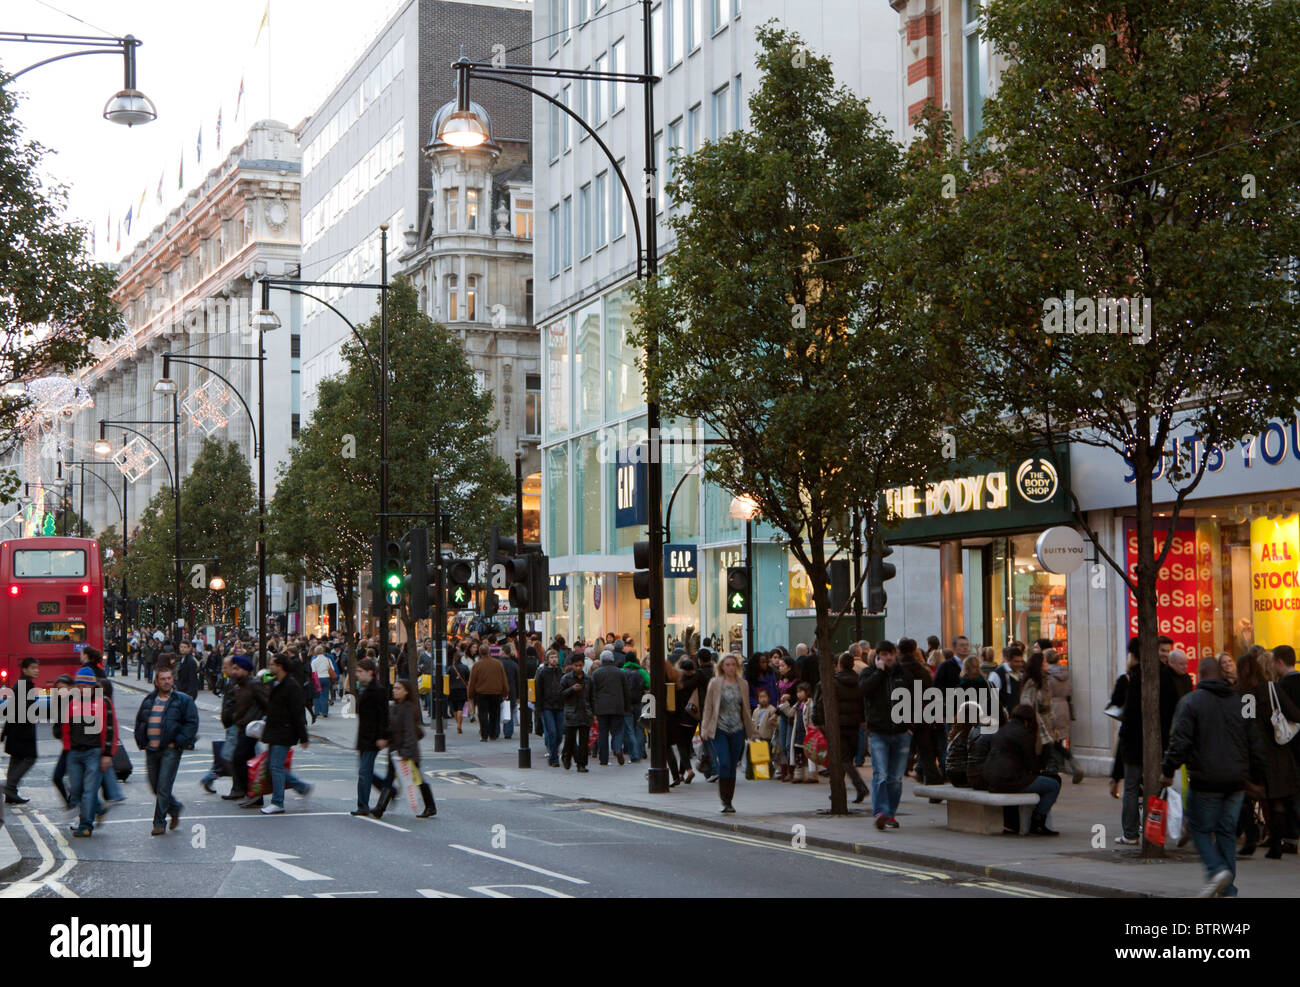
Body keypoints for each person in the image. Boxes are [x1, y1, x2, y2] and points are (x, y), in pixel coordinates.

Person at [1162, 655, 1266, 897]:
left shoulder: (1191, 702)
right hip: (1236, 781)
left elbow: (1179, 742)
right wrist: (1258, 778)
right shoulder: (1240, 702)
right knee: (1226, 831)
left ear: (1199, 674)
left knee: (1198, 828)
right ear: (1220, 674)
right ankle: (1227, 889)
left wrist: (1168, 770)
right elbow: (1255, 742)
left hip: (1206, 779)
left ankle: (1217, 870)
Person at [1234, 647, 1300, 859]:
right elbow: (1295, 714)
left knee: (1244, 795)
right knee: (1276, 800)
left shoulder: (1243, 693)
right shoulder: (1272, 689)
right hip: (1277, 753)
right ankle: (1276, 847)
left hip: (1251, 752)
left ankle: (1251, 836)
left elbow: (1244, 724)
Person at [1117, 637, 1179, 845]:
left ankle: (1130, 833)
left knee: (1132, 787)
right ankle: (1154, 832)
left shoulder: (1137, 677)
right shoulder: (1166, 675)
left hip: (1135, 741)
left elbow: (1130, 713)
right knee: (1154, 787)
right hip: (1158, 741)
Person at [132, 666, 199, 836]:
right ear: (156, 681)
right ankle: (174, 808)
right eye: (163, 678)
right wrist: (142, 741)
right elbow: (141, 721)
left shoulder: (182, 700)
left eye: (169, 678)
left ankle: (159, 823)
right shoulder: (149, 699)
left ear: (173, 680)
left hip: (170, 750)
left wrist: (178, 742)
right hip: (151, 749)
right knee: (155, 787)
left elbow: (191, 723)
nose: (166, 681)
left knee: (163, 787)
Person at [861, 640, 914, 828]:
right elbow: (865, 691)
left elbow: (914, 699)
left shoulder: (903, 674)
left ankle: (890, 814)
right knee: (881, 774)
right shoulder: (869, 673)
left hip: (901, 733)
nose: (888, 657)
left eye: (891, 653)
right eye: (884, 654)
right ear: (878, 656)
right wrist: (879, 672)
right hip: (878, 732)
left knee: (896, 778)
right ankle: (881, 812)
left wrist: (910, 727)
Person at [984, 703, 1060, 835]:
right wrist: (1045, 748)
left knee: (1020, 781)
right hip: (1010, 780)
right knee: (1053, 784)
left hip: (992, 779)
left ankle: (1011, 825)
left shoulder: (1001, 730)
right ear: (1028, 720)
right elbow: (1034, 766)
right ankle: (1037, 822)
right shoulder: (1025, 734)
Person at [63, 666, 118, 838]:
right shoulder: (72, 702)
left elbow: (111, 729)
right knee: (77, 789)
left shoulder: (103, 702)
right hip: (74, 753)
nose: (81, 689)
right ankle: (98, 809)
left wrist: (107, 754)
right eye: (78, 686)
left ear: (93, 686)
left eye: (85, 686)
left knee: (89, 791)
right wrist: (67, 748)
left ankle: (86, 825)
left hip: (94, 752)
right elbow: (66, 727)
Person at [701, 653, 757, 812]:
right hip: (720, 728)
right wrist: (704, 728)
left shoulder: (743, 684)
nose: (730, 667)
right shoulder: (715, 683)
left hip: (738, 729)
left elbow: (746, 709)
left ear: (737, 666)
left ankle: (729, 801)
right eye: (727, 665)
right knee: (724, 762)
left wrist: (752, 730)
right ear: (721, 667)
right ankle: (724, 800)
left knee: (732, 765)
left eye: (733, 664)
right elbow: (708, 707)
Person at [373, 680, 436, 819]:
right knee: (389, 779)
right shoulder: (396, 706)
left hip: (406, 753)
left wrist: (405, 753)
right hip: (395, 752)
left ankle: (430, 806)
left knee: (418, 780)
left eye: (398, 688)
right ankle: (379, 808)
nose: (395, 690)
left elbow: (410, 733)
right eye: (394, 688)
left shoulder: (408, 708)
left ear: (406, 691)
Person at [260, 653, 312, 814]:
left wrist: (303, 737)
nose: (270, 667)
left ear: (280, 666)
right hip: (275, 730)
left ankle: (278, 802)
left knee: (275, 766)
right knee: (272, 766)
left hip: (285, 731)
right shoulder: (277, 683)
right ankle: (301, 787)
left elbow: (297, 713)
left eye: (272, 664)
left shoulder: (291, 686)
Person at [814, 652, 869, 803]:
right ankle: (839, 789)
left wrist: (818, 721)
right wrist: (863, 719)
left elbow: (820, 704)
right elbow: (863, 703)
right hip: (854, 724)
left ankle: (858, 787)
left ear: (839, 664)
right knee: (846, 758)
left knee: (841, 759)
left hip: (837, 725)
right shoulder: (859, 682)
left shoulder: (833, 682)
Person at [351, 658, 389, 816]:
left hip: (373, 737)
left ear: (370, 673)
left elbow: (384, 716)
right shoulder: (363, 689)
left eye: (360, 672)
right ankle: (388, 789)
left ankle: (362, 805)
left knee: (364, 772)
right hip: (364, 736)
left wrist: (382, 737)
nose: (357, 675)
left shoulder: (378, 690)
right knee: (365, 771)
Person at [228, 656, 268, 805]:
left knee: (239, 759)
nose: (234, 671)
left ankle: (252, 792)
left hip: (250, 728)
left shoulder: (253, 685)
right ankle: (253, 794)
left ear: (245, 670)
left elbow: (265, 703)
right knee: (248, 761)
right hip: (242, 727)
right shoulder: (240, 685)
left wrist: (257, 719)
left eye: (237, 669)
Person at [2, 657, 39, 804]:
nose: (36, 670)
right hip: (22, 730)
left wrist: (6, 731)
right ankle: (10, 787)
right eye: (32, 668)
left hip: (15, 729)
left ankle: (10, 794)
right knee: (30, 758)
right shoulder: (25, 685)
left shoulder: (22, 683)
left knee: (16, 759)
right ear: (24, 669)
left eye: (36, 667)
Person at [200, 657, 238, 794]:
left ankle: (237, 786)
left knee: (234, 756)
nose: (222, 670)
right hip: (234, 725)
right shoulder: (232, 682)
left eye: (225, 667)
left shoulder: (236, 682)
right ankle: (212, 776)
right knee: (230, 756)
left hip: (236, 725)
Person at [1044, 649, 1083, 783]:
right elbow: (1070, 691)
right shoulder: (1065, 673)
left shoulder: (1048, 675)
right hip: (1064, 707)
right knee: (1058, 740)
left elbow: (1045, 693)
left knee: (1050, 740)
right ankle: (1066, 764)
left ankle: (1068, 764)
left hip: (1052, 707)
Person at [592, 649, 630, 766]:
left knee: (603, 732)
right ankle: (617, 748)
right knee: (617, 731)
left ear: (602, 660)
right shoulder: (620, 673)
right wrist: (626, 707)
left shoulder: (596, 673)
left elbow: (593, 692)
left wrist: (593, 709)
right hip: (617, 706)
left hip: (601, 707)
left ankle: (603, 758)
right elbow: (625, 691)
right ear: (612, 659)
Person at [466, 645, 509, 742]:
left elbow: (472, 681)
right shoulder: (498, 664)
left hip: (481, 693)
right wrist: (505, 692)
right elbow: (504, 679)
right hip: (496, 692)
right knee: (494, 714)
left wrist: (470, 695)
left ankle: (484, 735)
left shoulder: (477, 665)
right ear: (489, 652)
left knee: (483, 714)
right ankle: (493, 734)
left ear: (480, 653)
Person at [559, 656, 594, 772]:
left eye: (580, 665)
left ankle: (582, 764)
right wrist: (571, 689)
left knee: (584, 741)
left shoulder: (588, 679)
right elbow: (560, 695)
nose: (578, 668)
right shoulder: (566, 678)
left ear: (583, 665)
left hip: (585, 712)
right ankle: (566, 756)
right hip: (571, 712)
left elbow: (592, 697)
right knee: (570, 739)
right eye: (576, 665)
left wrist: (594, 712)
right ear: (572, 665)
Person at [535, 649, 567, 767]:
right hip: (547, 706)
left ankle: (553, 752)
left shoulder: (561, 672)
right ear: (547, 659)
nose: (554, 659)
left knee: (559, 734)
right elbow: (538, 691)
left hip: (559, 706)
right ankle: (554, 758)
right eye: (552, 657)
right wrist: (539, 709)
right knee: (552, 732)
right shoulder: (543, 672)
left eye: (556, 657)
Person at [621, 652, 649, 763]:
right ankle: (640, 751)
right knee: (639, 728)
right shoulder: (642, 672)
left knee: (629, 729)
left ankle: (634, 754)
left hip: (626, 704)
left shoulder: (622, 672)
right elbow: (648, 684)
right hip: (639, 702)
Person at [988, 644, 1024, 721]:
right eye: (1016, 661)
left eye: (1021, 661)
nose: (1019, 664)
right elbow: (992, 697)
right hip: (1002, 718)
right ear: (1008, 660)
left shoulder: (1021, 674)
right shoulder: (997, 674)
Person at [310, 646, 335, 719]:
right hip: (326, 678)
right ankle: (325, 712)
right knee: (325, 695)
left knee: (316, 695)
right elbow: (332, 669)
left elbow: (313, 671)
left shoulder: (314, 661)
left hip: (317, 678)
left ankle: (317, 711)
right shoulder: (328, 660)